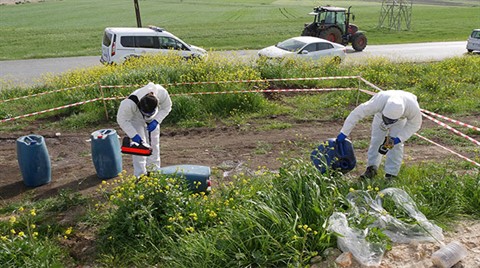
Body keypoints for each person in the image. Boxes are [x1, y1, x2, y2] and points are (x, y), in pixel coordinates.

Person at [336, 90, 422, 179]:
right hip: (380, 117)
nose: (388, 123)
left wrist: (398, 139)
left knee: (396, 146)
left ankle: (391, 174)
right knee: (376, 140)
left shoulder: (412, 107)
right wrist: (344, 132)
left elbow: (415, 124)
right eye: (387, 119)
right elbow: (356, 113)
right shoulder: (378, 102)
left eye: (390, 121)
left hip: (400, 120)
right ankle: (371, 168)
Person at [117, 82, 172, 177]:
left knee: (154, 145)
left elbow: (167, 107)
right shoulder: (130, 103)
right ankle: (140, 175)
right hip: (136, 118)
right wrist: (134, 135)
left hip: (153, 118)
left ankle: (154, 173)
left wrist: (156, 120)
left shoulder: (161, 92)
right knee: (139, 149)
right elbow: (122, 119)